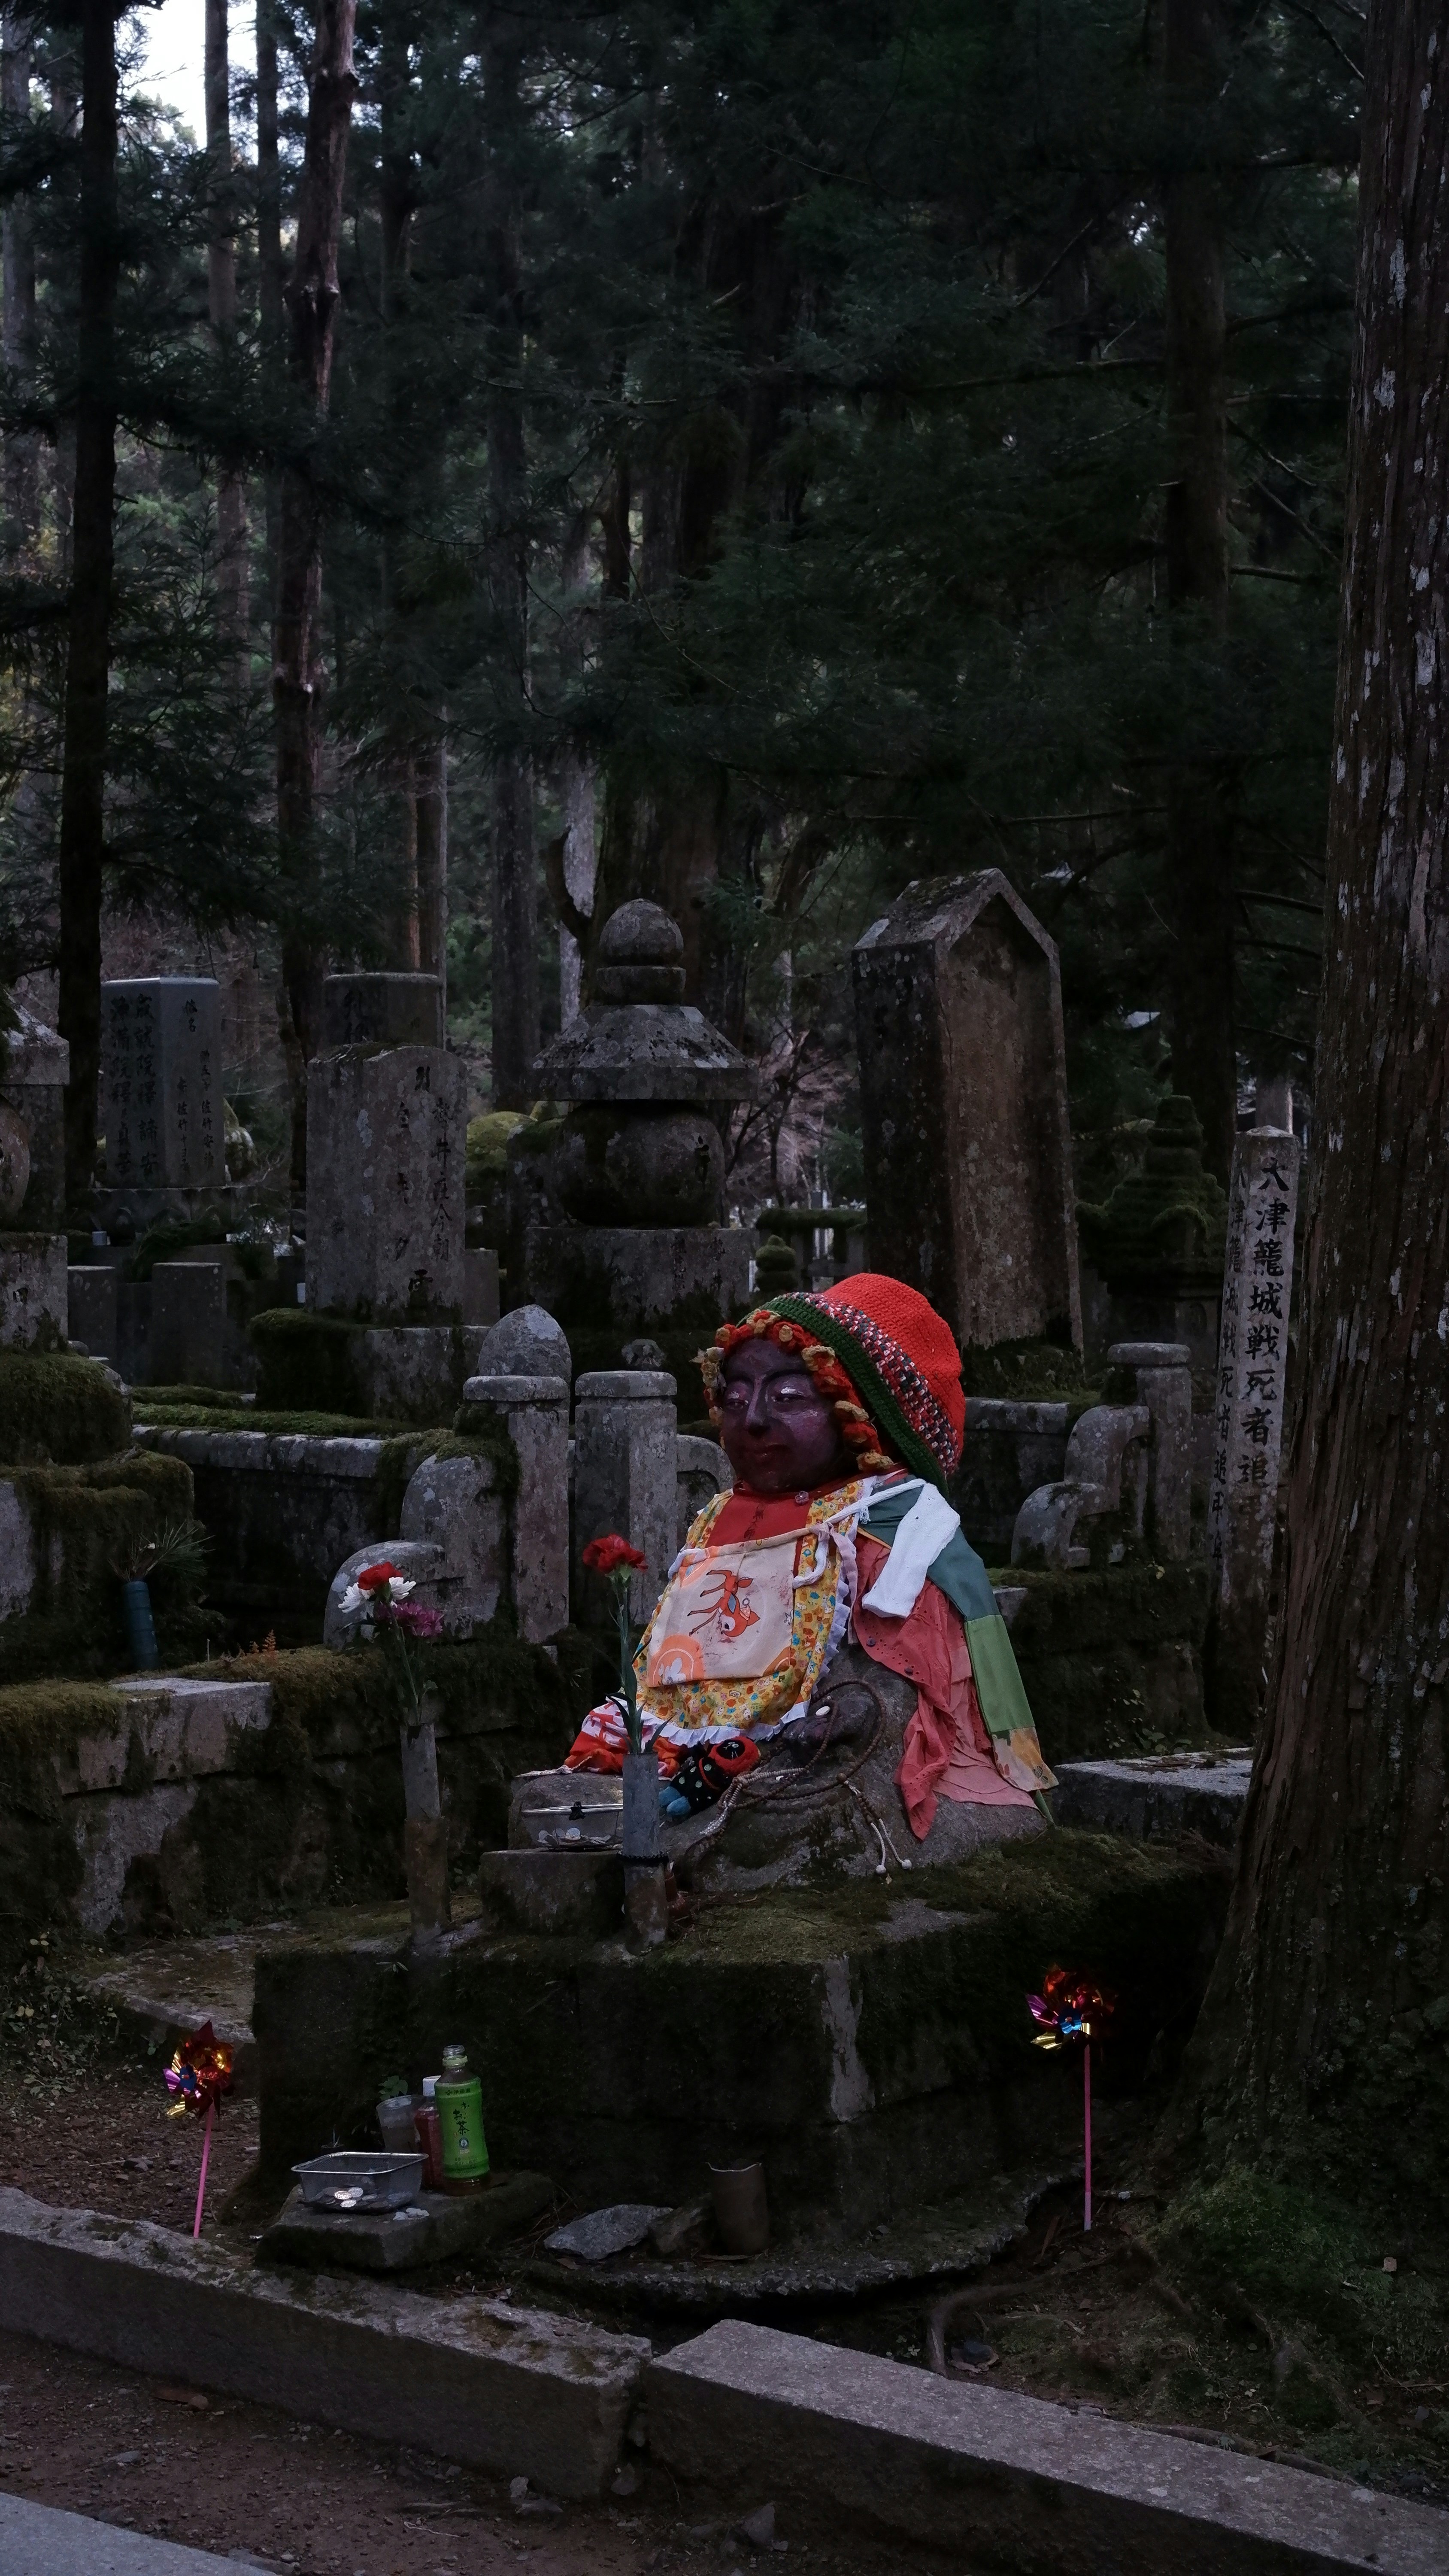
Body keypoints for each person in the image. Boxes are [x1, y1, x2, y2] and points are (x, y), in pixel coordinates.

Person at [566, 1273, 1055, 1844]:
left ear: (855, 1415)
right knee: (564, 1800)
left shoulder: (896, 1519)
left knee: (780, 1826)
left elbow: (913, 1678)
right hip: (686, 1749)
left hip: (813, 1759)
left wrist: (853, 1710)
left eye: (788, 1398)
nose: (752, 1419)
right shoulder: (723, 1515)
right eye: (735, 1396)